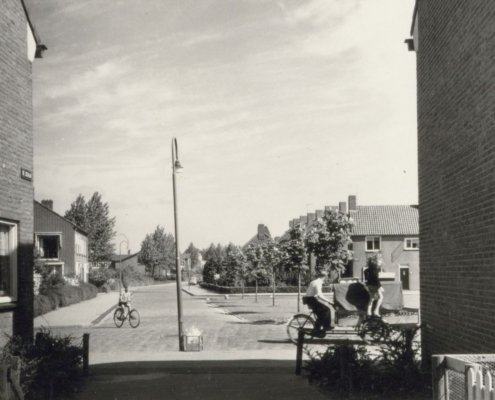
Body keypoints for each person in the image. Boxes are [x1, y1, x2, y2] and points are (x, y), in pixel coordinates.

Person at [304, 270, 335, 338]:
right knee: (325, 311)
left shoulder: (314, 281)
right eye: (326, 277)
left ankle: (325, 326)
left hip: (311, 299)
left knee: (325, 309)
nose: (326, 279)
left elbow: (318, 295)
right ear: (324, 277)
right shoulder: (318, 283)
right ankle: (317, 330)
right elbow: (319, 295)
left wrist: (326, 301)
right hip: (311, 300)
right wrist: (329, 301)